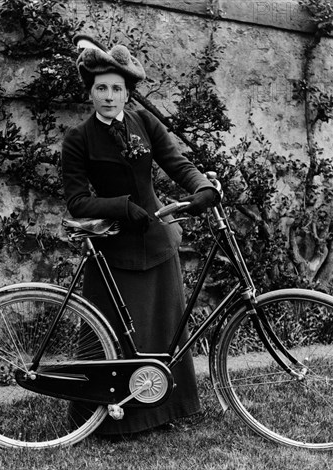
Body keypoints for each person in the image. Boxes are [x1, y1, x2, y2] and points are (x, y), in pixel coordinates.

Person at [61, 37, 219, 436]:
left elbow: (175, 161)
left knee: (164, 327)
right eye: (101, 88)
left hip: (157, 237)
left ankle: (165, 410)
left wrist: (202, 188)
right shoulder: (77, 139)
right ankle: (110, 421)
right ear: (91, 92)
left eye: (117, 88)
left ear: (128, 92)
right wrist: (119, 206)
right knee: (110, 331)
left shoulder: (145, 123)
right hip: (114, 246)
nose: (109, 96)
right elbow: (77, 201)